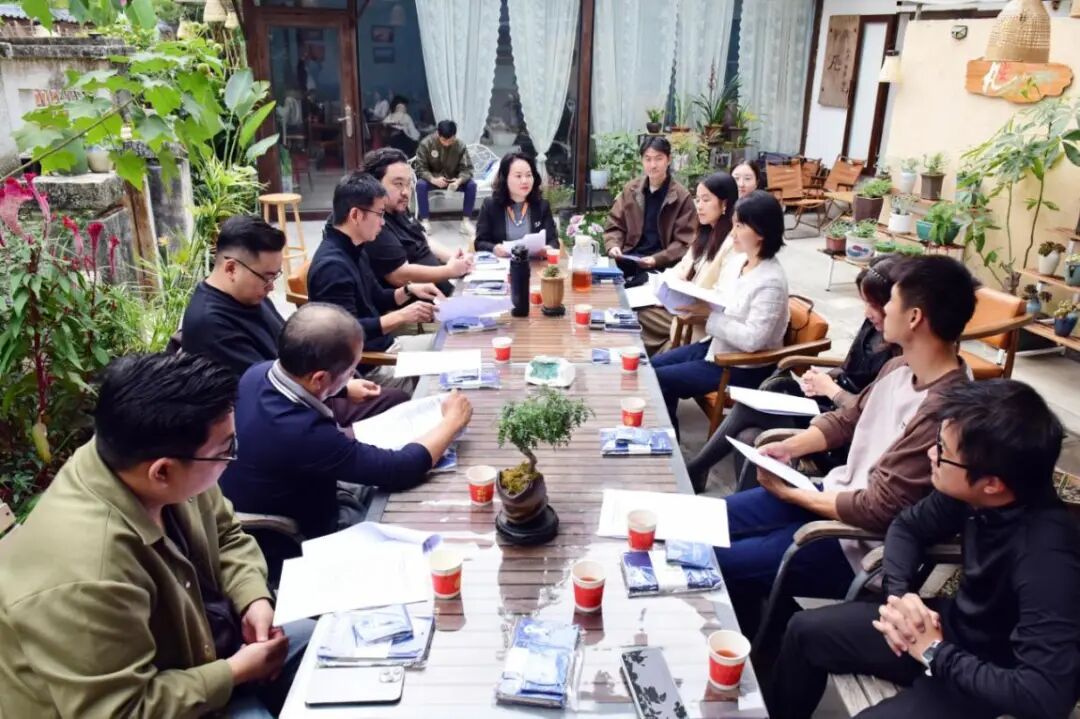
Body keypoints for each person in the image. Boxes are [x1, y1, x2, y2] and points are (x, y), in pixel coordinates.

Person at [0, 353, 312, 718]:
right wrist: (235, 672)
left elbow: (227, 534)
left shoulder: (150, 460)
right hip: (151, 700)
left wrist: (253, 599)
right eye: (226, 449)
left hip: (205, 650)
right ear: (161, 472)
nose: (231, 458)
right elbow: (121, 710)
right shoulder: (87, 575)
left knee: (328, 642)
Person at [769, 379, 1080, 719]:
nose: (931, 454)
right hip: (949, 630)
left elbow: (1045, 695)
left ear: (992, 484)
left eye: (943, 451)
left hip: (991, 677)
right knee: (804, 631)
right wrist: (901, 596)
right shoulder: (974, 492)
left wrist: (935, 652)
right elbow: (908, 527)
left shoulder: (1048, 558)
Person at [717, 255, 977, 637]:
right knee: (709, 522)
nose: (880, 310)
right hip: (831, 496)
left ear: (914, 317)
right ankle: (765, 629)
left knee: (719, 561)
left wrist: (792, 494)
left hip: (853, 544)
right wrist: (790, 448)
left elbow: (878, 508)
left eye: (891, 300)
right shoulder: (899, 368)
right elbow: (848, 420)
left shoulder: (944, 408)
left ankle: (766, 644)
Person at [220, 303, 473, 556]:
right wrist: (451, 423)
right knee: (413, 507)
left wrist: (342, 387)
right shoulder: (304, 434)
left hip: (280, 493)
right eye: (351, 371)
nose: (353, 375)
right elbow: (399, 469)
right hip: (307, 533)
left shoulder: (257, 373)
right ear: (319, 378)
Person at [686, 254, 903, 493]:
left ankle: (697, 469)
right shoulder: (874, 326)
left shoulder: (900, 358)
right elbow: (849, 367)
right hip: (829, 409)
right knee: (749, 435)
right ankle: (740, 501)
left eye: (874, 305)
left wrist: (830, 389)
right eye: (865, 303)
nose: (867, 312)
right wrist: (823, 379)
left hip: (842, 436)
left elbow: (866, 415)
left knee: (750, 410)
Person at [181, 214, 408, 421]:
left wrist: (342, 377)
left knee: (396, 397)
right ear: (231, 268)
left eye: (275, 277)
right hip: (287, 408)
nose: (271, 287)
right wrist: (342, 389)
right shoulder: (209, 323)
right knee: (397, 402)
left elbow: (293, 345)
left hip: (310, 387)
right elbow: (266, 387)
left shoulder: (250, 294)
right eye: (267, 277)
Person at [652, 190, 790, 437]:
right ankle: (664, 437)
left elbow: (753, 340)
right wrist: (698, 304)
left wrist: (710, 317)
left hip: (741, 366)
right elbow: (721, 299)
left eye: (739, 226)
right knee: (648, 367)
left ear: (761, 232)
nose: (732, 233)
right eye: (734, 224)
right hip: (717, 348)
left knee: (659, 379)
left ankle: (668, 447)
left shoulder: (771, 281)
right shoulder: (741, 262)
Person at [307, 171, 443, 390]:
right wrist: (402, 315)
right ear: (355, 215)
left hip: (388, 346)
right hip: (370, 367)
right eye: (379, 214)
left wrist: (409, 290)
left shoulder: (355, 247)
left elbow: (378, 297)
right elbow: (345, 334)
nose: (382, 222)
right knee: (448, 362)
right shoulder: (332, 267)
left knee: (451, 341)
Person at [636, 171, 739, 355]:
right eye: (697, 200)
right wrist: (664, 289)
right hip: (680, 310)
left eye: (706, 200)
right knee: (633, 314)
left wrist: (686, 293)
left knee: (637, 320)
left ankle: (650, 362)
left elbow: (723, 297)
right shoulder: (704, 234)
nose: (699, 206)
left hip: (700, 323)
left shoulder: (733, 243)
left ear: (725, 204)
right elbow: (681, 268)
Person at [363, 147, 473, 296]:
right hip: (417, 301)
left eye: (408, 184)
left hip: (444, 291)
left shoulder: (398, 208)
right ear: (375, 184)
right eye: (398, 184)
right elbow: (399, 275)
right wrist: (449, 270)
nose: (406, 192)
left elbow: (423, 240)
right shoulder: (375, 224)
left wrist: (456, 258)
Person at [603, 136, 696, 286]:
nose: (653, 165)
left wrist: (657, 259)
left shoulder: (681, 197)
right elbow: (615, 225)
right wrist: (613, 245)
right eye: (648, 159)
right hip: (628, 259)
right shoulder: (631, 190)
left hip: (661, 266)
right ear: (642, 161)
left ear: (668, 160)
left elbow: (684, 242)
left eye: (658, 159)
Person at [474, 151, 558, 257]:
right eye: (518, 176)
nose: (525, 181)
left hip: (534, 264)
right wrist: (494, 248)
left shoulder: (542, 206)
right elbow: (479, 242)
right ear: (505, 178)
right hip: (502, 265)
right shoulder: (490, 205)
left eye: (529, 175)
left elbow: (553, 241)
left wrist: (548, 249)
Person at [415, 120, 476, 235]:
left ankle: (465, 222)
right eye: (444, 140)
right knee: (420, 185)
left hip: (453, 180)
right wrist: (433, 179)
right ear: (438, 134)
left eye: (451, 140)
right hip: (433, 179)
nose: (447, 144)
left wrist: (459, 181)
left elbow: (467, 169)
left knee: (471, 185)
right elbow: (420, 168)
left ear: (455, 136)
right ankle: (425, 221)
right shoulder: (426, 144)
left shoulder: (460, 145)